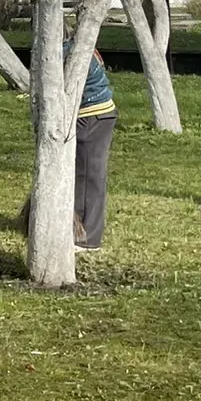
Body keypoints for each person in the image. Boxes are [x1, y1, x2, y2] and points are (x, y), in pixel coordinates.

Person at [74, 46, 116, 251]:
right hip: (101, 112)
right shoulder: (82, 47)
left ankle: (87, 238)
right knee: (88, 175)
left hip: (91, 116)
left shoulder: (66, 52)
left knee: (86, 177)